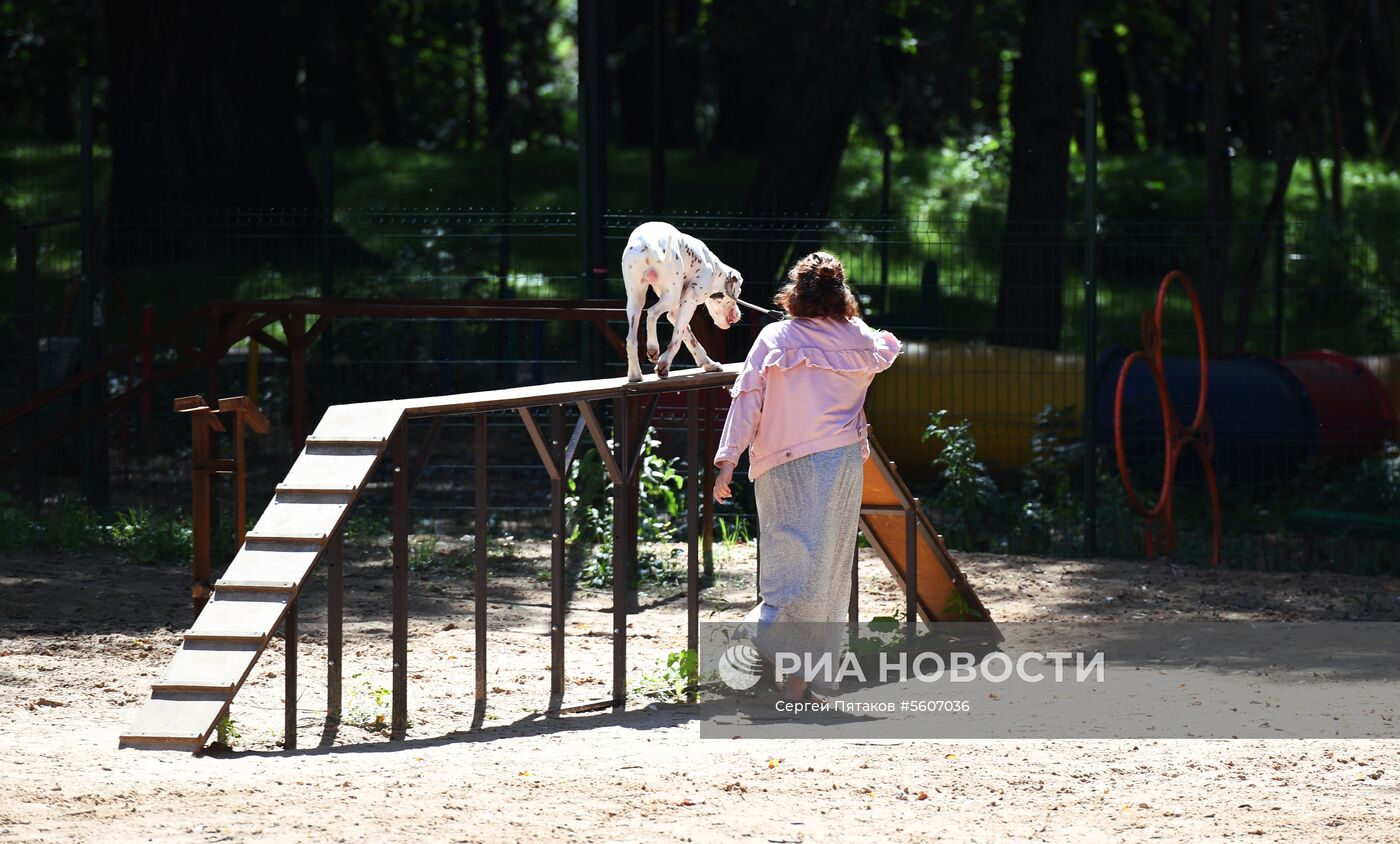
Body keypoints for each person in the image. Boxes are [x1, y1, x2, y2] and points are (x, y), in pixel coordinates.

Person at [713, 251, 902, 703]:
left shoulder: (776, 336)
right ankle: (797, 686)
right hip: (840, 466)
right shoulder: (860, 338)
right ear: (841, 295)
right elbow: (880, 341)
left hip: (785, 466)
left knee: (788, 572)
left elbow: (747, 400)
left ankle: (745, 640)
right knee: (826, 577)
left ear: (794, 294)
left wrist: (727, 459)